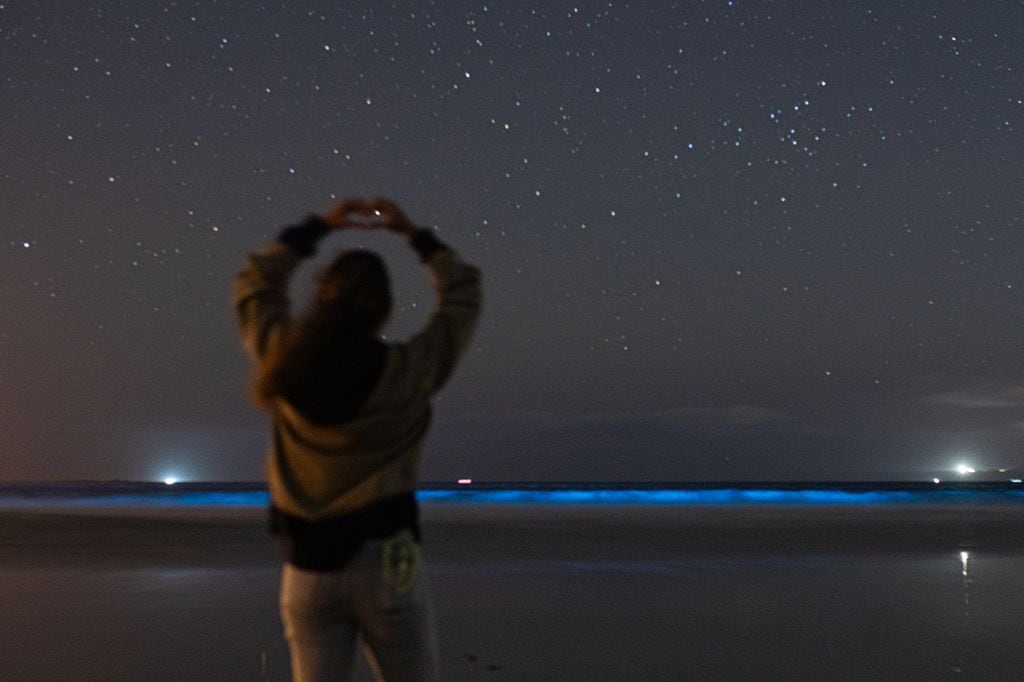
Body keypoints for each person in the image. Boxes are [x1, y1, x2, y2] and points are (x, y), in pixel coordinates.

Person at [233, 198, 482, 681]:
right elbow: (464, 293)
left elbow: (255, 282)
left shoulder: (282, 360)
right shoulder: (408, 372)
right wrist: (413, 234)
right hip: (387, 564)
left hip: (307, 568)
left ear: (322, 298)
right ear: (383, 307)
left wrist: (318, 227)